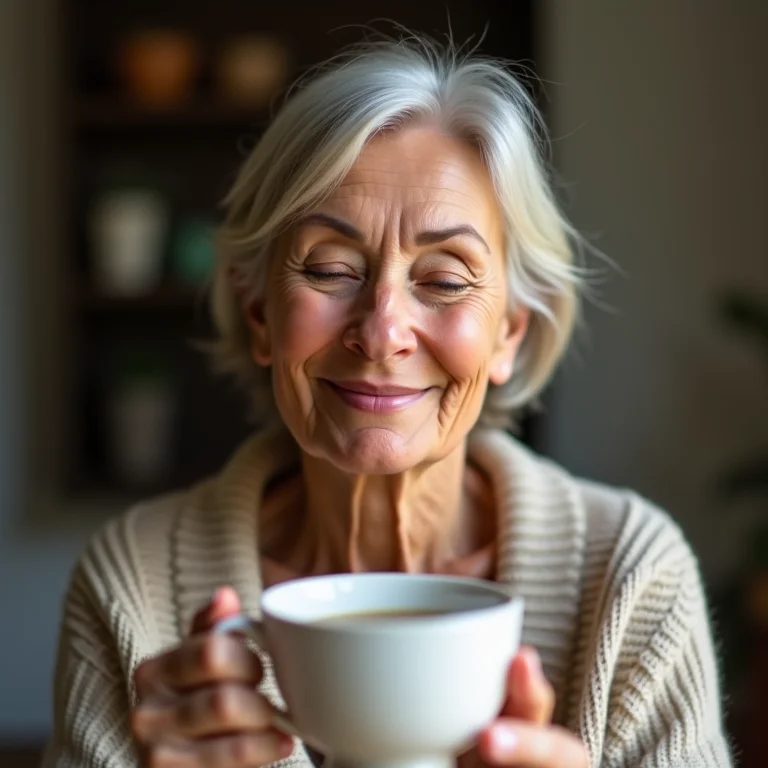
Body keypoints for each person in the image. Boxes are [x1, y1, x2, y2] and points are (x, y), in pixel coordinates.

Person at [44, 37, 732, 768]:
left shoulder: (630, 577)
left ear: (508, 334)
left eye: (443, 279)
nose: (381, 333)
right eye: (332, 268)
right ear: (258, 317)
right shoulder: (134, 585)